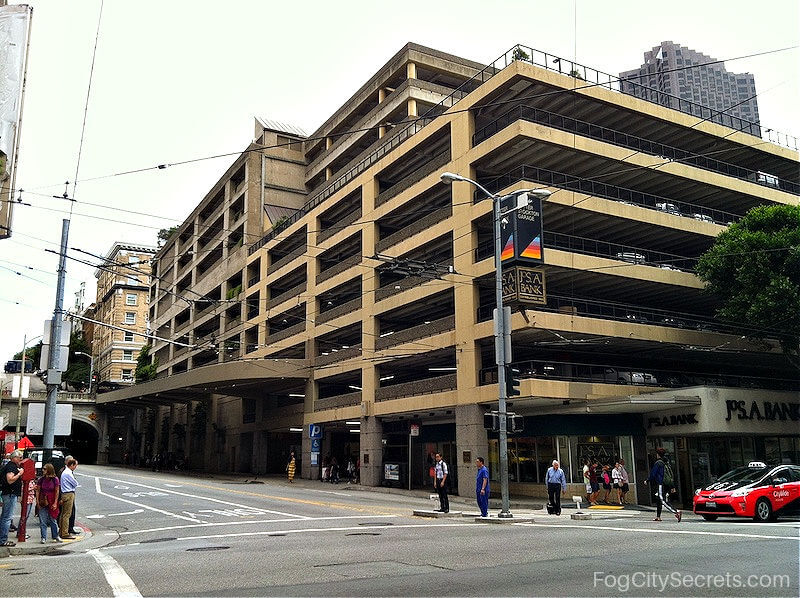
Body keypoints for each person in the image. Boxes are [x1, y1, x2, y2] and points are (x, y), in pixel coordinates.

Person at [647, 448, 681, 522]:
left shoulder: (658, 463)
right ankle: (658, 516)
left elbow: (653, 473)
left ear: (658, 454)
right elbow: (670, 474)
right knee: (659, 499)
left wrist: (648, 480)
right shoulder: (666, 462)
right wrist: (672, 486)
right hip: (667, 484)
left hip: (661, 483)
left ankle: (676, 511)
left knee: (662, 500)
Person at [1, 450, 25, 546]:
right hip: (10, 494)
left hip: (9, 494)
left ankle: (2, 538)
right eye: (20, 458)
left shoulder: (11, 466)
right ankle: (3, 540)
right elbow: (10, 480)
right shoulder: (11, 466)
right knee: (7, 517)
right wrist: (20, 474)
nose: (21, 460)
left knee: (4, 517)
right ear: (14, 458)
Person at [35, 463, 61, 543]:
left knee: (53, 520)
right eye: (43, 468)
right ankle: (43, 537)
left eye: (45, 469)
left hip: (52, 500)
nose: (43, 470)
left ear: (49, 470)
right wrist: (37, 502)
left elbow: (57, 491)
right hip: (43, 501)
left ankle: (55, 535)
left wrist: (55, 503)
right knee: (42, 521)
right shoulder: (41, 479)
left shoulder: (55, 479)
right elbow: (38, 491)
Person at [58, 458, 79, 539]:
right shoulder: (68, 473)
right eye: (75, 465)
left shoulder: (65, 472)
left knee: (63, 514)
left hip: (65, 493)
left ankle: (61, 531)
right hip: (68, 493)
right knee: (67, 514)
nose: (75, 467)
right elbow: (75, 483)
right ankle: (65, 533)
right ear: (72, 465)